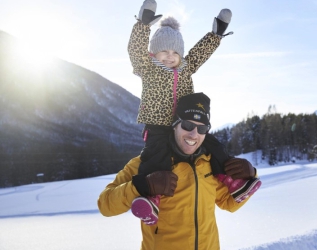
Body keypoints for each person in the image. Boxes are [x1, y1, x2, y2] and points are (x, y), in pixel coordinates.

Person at [127, 0, 261, 225]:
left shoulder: (185, 68)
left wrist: (216, 34)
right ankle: (152, 200)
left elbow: (200, 53)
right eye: (163, 51)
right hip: (158, 127)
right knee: (156, 157)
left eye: (174, 52)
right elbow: (135, 50)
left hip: (186, 124)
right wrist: (143, 25)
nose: (169, 56)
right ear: (153, 53)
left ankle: (233, 183)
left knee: (213, 145)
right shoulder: (146, 67)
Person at [98, 93, 259, 249]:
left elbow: (229, 203)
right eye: (187, 125)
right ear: (175, 124)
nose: (194, 134)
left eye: (202, 128)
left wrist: (250, 175)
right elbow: (105, 204)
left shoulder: (209, 163)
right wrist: (142, 186)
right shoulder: (146, 163)